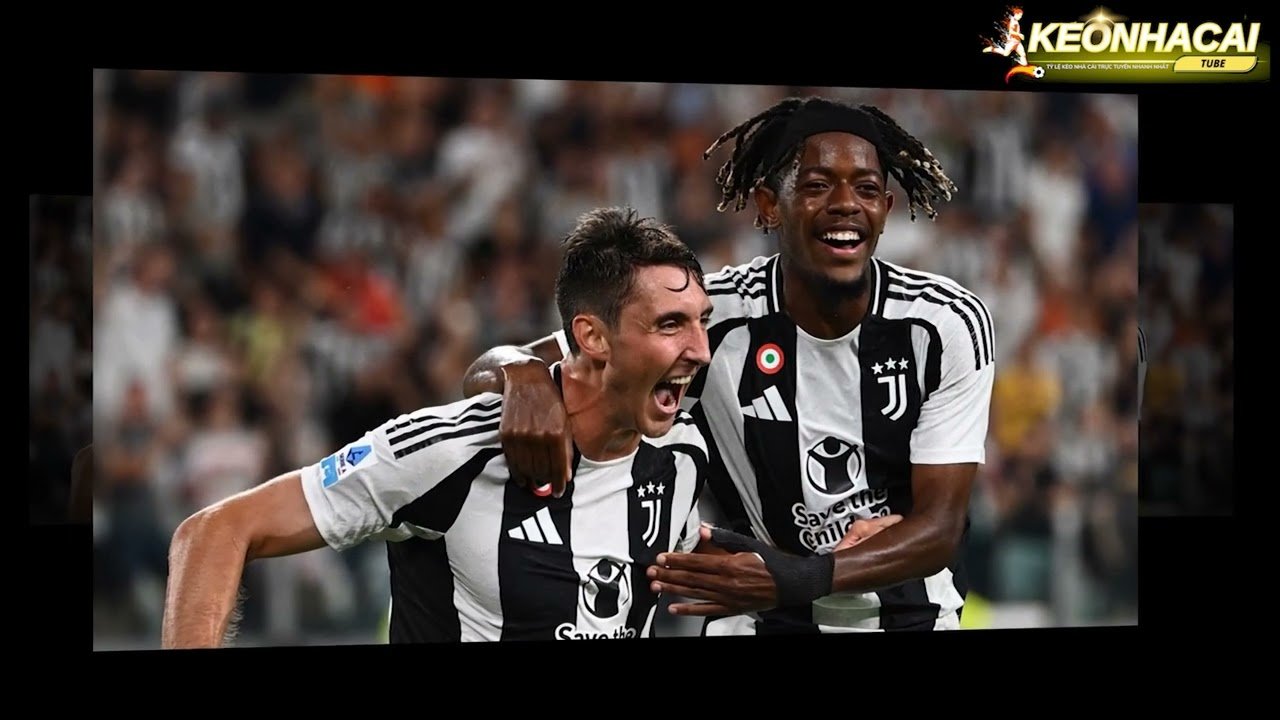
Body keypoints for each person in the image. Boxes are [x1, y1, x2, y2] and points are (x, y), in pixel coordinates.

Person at [463, 95, 994, 633]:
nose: (845, 204)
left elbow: (939, 529)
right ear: (768, 205)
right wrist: (524, 377)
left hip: (911, 617)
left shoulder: (944, 323)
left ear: (886, 208)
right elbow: (501, 368)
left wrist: (797, 577)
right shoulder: (709, 318)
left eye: (867, 189)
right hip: (754, 617)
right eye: (816, 186)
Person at [163, 207, 725, 646]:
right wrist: (516, 369)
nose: (701, 350)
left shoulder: (682, 455)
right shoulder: (453, 451)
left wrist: (780, 575)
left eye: (703, 321)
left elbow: (700, 561)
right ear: (593, 337)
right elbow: (215, 531)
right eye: (670, 325)